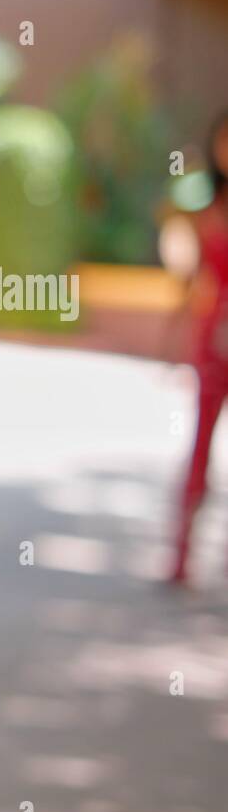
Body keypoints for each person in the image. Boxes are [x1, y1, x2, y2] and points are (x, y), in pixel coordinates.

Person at [169, 111, 228, 585]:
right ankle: (181, 557)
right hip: (213, 341)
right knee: (200, 447)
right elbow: (192, 279)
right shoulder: (204, 205)